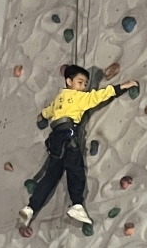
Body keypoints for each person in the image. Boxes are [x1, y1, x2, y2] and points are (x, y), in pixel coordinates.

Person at [19, 65, 138, 229]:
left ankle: (30, 208)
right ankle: (76, 204)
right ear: (69, 81)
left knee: (50, 177)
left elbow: (48, 111)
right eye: (80, 82)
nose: (83, 87)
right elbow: (99, 96)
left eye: (85, 84)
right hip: (68, 137)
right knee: (76, 170)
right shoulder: (78, 97)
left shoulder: (60, 98)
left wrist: (42, 116)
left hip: (55, 140)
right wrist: (122, 86)